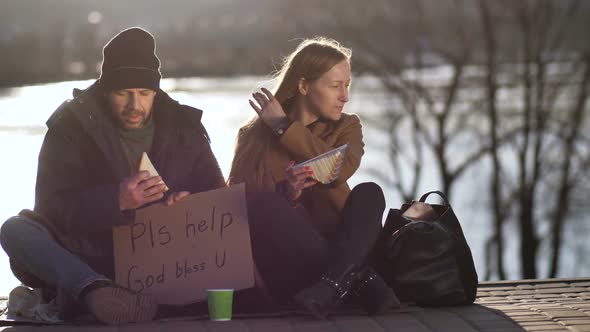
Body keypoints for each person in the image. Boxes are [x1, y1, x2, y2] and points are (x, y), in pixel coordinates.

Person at [0, 27, 225, 325]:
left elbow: (219, 197)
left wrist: (187, 201)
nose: (135, 105)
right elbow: (51, 209)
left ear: (155, 92)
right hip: (90, 256)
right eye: (123, 93)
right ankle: (96, 292)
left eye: (145, 94)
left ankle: (84, 296)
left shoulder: (184, 124)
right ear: (106, 90)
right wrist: (114, 201)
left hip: (166, 258)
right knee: (15, 229)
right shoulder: (69, 126)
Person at [228, 37, 399, 317]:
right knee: (265, 205)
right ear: (304, 85)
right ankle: (358, 282)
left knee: (369, 192)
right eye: (335, 86)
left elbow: (338, 170)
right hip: (291, 265)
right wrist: (287, 196)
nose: (344, 96)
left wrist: (284, 127)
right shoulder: (252, 137)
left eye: (347, 85)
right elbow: (244, 208)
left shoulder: (347, 127)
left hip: (344, 248)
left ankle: (332, 286)